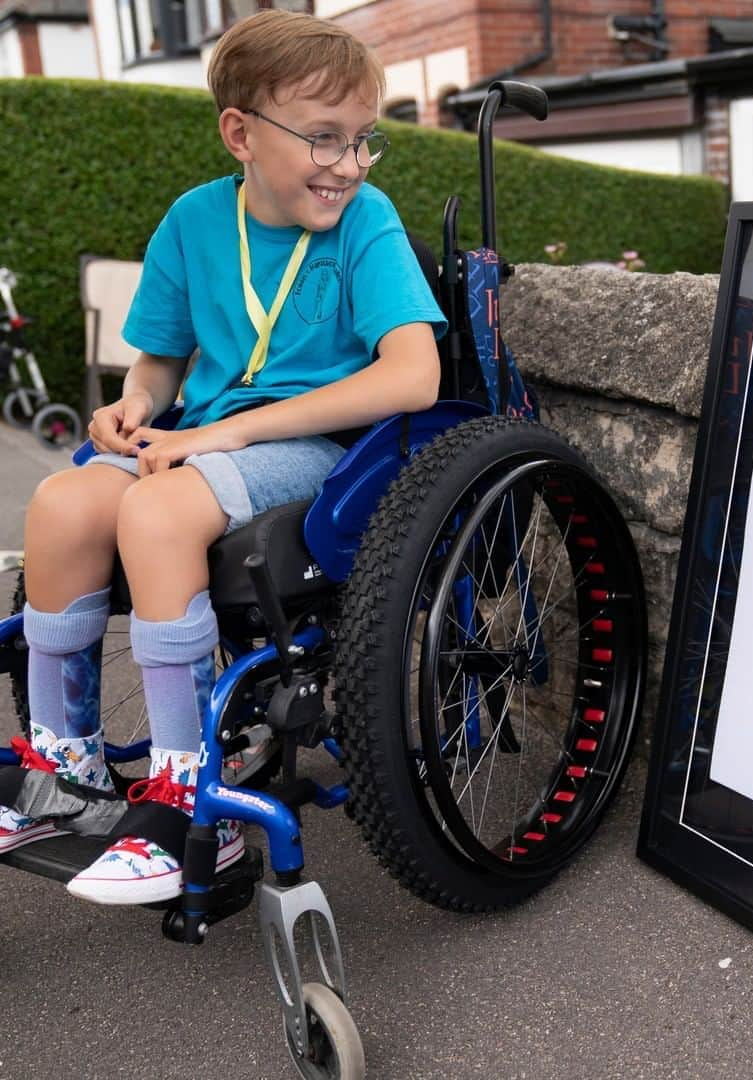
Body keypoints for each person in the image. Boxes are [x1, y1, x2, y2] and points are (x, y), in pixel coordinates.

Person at [3, 9, 446, 905]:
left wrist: (227, 432)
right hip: (198, 439)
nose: (350, 165)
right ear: (240, 133)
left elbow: (414, 376)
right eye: (324, 139)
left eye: (363, 141)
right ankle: (70, 773)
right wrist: (131, 409)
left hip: (320, 450)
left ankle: (189, 791)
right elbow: (162, 361)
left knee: (155, 510)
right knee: (63, 503)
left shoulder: (366, 220)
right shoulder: (194, 221)